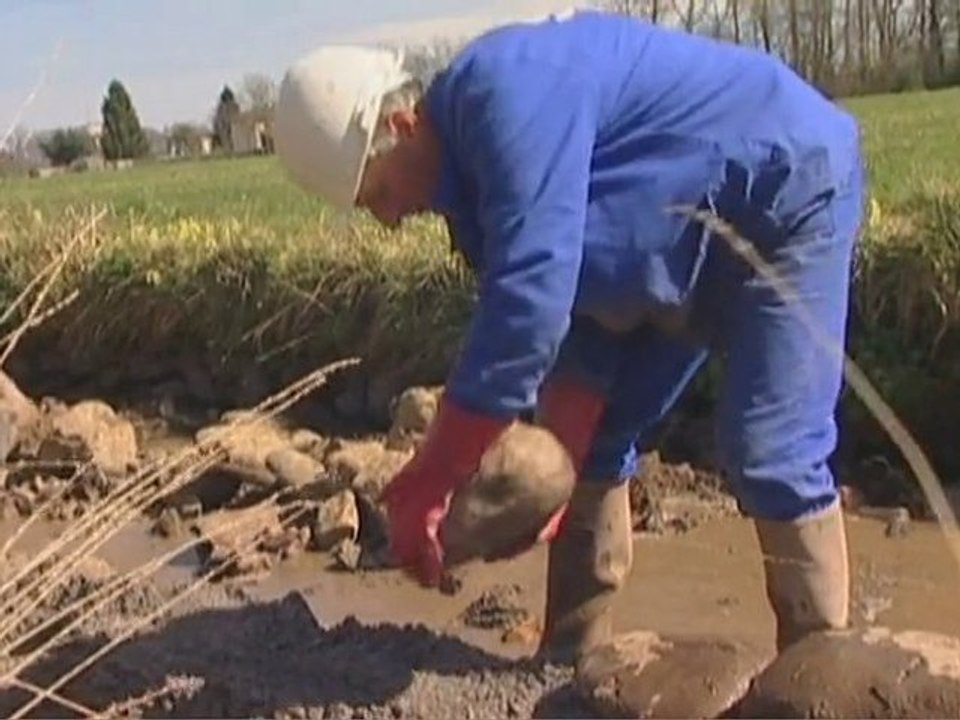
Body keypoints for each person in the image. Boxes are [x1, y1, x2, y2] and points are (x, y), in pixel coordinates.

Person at [273, 9, 865, 661]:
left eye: (378, 194)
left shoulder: (506, 91)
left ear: (402, 126)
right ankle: (571, 658)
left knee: (770, 448)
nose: (387, 219)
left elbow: (532, 297)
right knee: (597, 444)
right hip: (676, 245)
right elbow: (581, 322)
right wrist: (560, 460)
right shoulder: (473, 207)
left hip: (783, 196)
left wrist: (433, 474)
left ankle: (821, 677)